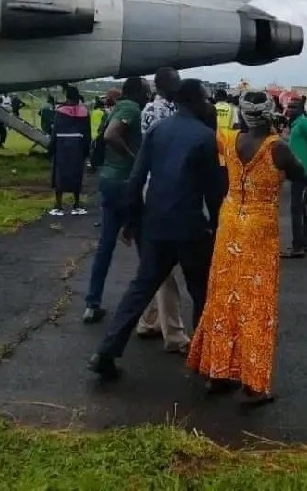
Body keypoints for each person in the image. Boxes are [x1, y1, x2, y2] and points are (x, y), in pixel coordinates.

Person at [88, 79, 224, 380]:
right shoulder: (205, 137)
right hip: (190, 227)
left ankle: (106, 351)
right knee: (201, 291)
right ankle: (205, 361)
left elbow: (136, 180)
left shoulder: (157, 131)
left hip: (155, 225)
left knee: (139, 290)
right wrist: (217, 228)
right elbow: (214, 192)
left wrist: (133, 221)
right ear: (196, 100)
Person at [188, 90, 304, 405]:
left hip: (230, 225)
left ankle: (217, 373)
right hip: (259, 229)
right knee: (256, 304)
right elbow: (300, 174)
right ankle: (253, 385)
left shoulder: (229, 139)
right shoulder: (276, 148)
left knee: (223, 299)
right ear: (269, 113)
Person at [82, 77, 148, 324]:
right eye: (146, 90)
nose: (148, 94)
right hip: (125, 182)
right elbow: (111, 135)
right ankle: (145, 312)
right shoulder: (131, 108)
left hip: (109, 180)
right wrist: (134, 160)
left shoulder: (118, 107)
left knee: (106, 245)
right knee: (145, 245)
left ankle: (93, 302)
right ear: (138, 92)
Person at [135, 67, 190, 353]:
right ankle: (175, 333)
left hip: (153, 186)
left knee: (158, 261)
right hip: (166, 189)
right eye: (176, 83)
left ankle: (150, 320)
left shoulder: (151, 110)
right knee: (169, 260)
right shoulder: (167, 113)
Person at [281, 99, 307, 258]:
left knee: (296, 209)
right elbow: (294, 144)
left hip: (303, 171)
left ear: (301, 109)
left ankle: (298, 247)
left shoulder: (304, 123)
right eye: (288, 107)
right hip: (297, 171)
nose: (289, 109)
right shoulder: (296, 124)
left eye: (293, 107)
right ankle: (304, 243)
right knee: (300, 208)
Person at [48, 86, 90, 216]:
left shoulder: (60, 111)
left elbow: (55, 132)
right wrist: (86, 150)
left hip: (62, 146)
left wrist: (51, 149)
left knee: (60, 174)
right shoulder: (84, 112)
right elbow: (87, 133)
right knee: (77, 174)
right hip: (77, 146)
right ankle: (76, 205)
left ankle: (59, 206)